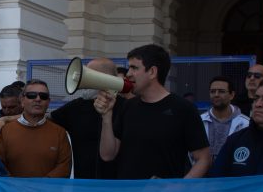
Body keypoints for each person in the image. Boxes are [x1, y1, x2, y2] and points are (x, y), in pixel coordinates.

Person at [96, 44, 211, 179]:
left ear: (152, 72)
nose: (128, 74)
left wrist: (179, 188)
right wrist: (106, 117)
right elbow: (107, 155)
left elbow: (204, 159)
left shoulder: (183, 108)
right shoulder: (127, 107)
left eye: (134, 68)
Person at [49, 58, 125, 179]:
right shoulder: (76, 107)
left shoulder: (125, 107)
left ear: (106, 78)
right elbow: (44, 119)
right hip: (82, 184)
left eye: (89, 74)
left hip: (116, 184)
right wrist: (12, 118)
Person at [0, 80, 71, 178]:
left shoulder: (60, 133)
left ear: (48, 102)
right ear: (22, 100)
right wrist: (16, 187)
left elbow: (64, 167)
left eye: (43, 96)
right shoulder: (3, 131)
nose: (38, 99)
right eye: (32, 95)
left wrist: (40, 186)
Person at [200, 75, 249, 161]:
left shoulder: (246, 123)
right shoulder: (199, 121)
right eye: (212, 91)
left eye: (221, 91)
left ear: (232, 95)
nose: (216, 95)